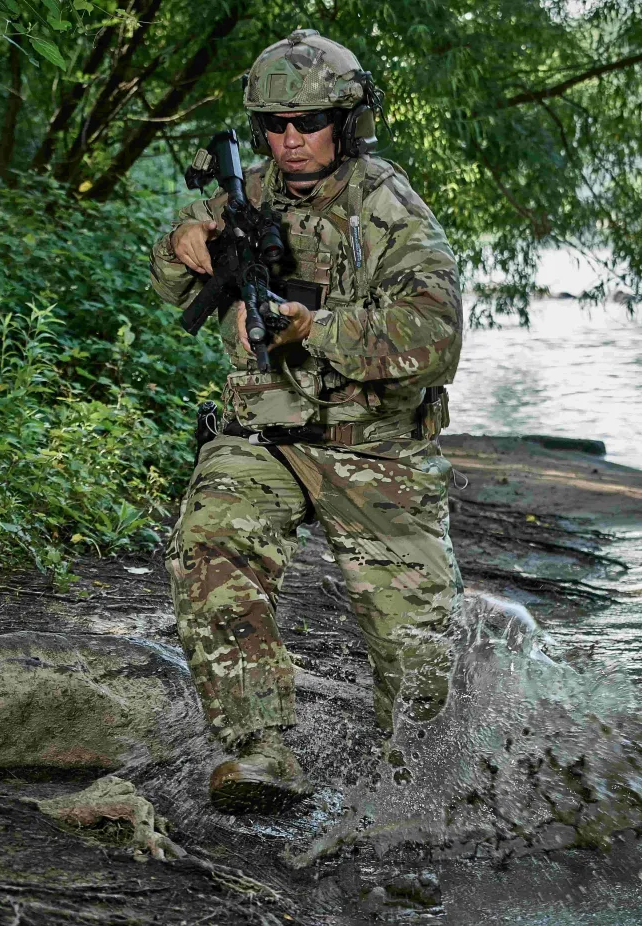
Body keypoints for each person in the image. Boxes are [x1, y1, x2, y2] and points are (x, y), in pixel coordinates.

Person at [150, 29, 464, 814]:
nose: (289, 141)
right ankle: (259, 750)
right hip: (261, 434)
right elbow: (170, 276)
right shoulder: (244, 195)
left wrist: (312, 328)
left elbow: (435, 338)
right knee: (210, 545)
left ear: (347, 122)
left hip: (377, 446)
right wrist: (185, 244)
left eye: (309, 122)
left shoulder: (387, 207)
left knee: (416, 648)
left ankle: (420, 789)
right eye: (273, 127)